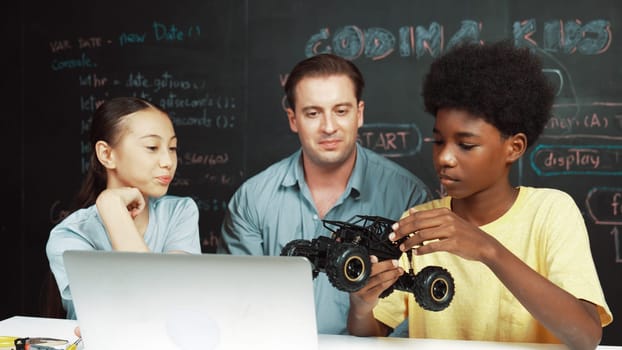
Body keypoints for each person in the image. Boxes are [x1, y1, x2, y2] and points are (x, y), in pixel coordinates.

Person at [347, 41, 613, 348]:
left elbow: (586, 336)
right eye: (438, 142)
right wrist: (362, 305)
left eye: (466, 145)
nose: (445, 158)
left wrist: (489, 250)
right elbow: (369, 336)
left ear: (514, 147)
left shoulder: (550, 212)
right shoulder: (420, 223)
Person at [219, 53, 431, 334]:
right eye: (313, 113)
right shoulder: (252, 199)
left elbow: (416, 317)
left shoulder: (410, 197)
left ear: (360, 113)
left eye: (341, 111)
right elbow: (235, 302)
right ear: (293, 119)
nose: (329, 127)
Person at [46, 97, 201, 320]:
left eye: (172, 148)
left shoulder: (180, 212)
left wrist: (112, 206)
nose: (168, 161)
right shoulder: (70, 235)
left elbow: (167, 304)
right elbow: (108, 322)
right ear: (107, 154)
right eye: (152, 147)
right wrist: (111, 208)